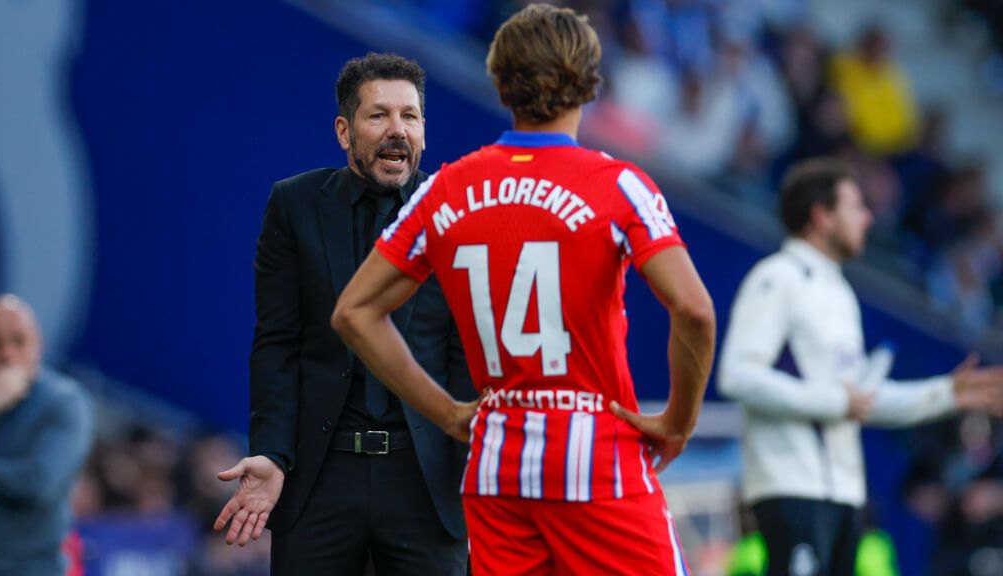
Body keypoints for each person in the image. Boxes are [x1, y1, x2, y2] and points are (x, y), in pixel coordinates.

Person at [332, 5, 716, 575]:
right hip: (594, 454)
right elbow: (694, 310)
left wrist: (446, 413)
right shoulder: (618, 186)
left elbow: (353, 313)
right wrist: (679, 422)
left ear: (500, 83)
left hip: (496, 459)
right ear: (590, 83)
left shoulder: (445, 188)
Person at [213, 53, 474, 576]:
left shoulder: (456, 209)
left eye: (410, 116)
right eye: (378, 115)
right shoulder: (294, 204)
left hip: (425, 484)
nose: (397, 131)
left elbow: (466, 353)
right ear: (344, 130)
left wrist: (475, 470)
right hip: (319, 478)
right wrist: (272, 453)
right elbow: (277, 343)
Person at [718, 156, 1003, 576]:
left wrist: (947, 394)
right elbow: (737, 375)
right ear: (821, 217)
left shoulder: (841, 293)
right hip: (791, 486)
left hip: (843, 496)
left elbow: (858, 401)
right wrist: (834, 400)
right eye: (856, 207)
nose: (869, 218)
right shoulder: (777, 277)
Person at [0, 294, 94, 575]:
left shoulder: (65, 402)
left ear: (38, 344)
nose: (7, 353)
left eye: (18, 341)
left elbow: (37, 484)